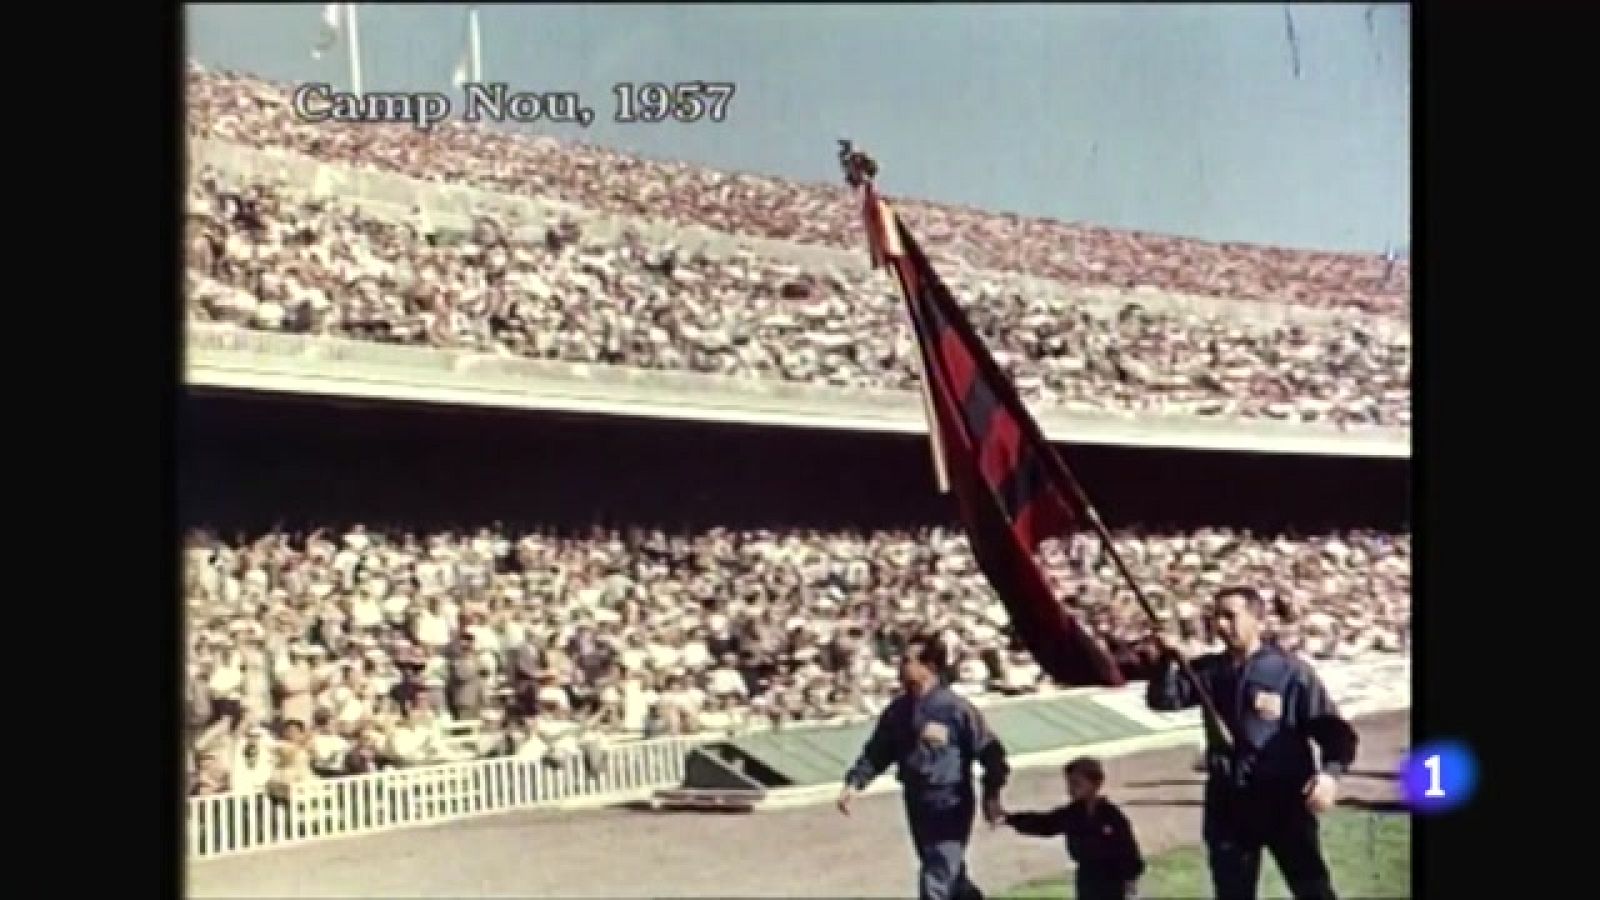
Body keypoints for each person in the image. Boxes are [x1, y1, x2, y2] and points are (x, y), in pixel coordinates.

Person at [1146, 586, 1358, 900]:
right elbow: (1163, 700)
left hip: (1284, 801)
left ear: (1258, 620)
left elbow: (1334, 732)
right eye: (1216, 617)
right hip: (1228, 803)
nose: (1220, 625)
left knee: (1311, 888)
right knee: (1232, 892)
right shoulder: (1208, 671)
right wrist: (1166, 659)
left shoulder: (1290, 672)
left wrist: (1330, 774)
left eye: (1230, 616)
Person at [837, 630, 1010, 900]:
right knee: (949, 875)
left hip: (949, 800)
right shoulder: (898, 711)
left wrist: (992, 795)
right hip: (916, 800)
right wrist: (854, 783)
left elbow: (992, 755)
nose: (900, 665)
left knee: (936, 877)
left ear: (928, 667)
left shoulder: (956, 710)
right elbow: (878, 751)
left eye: (907, 660)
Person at [1006, 757, 1144, 900]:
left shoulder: (1112, 816)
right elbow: (1046, 824)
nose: (1071, 790)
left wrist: (1130, 880)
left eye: (1076, 784)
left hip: (1113, 881)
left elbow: (1128, 850)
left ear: (1095, 784)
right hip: (1087, 879)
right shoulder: (1072, 814)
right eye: (1069, 784)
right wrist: (1011, 819)